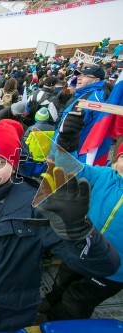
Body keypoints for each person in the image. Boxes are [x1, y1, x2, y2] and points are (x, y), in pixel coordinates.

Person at [0, 121, 120, 332]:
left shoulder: (36, 207)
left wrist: (79, 231)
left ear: (14, 165)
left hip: (8, 307)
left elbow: (105, 266)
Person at [38, 111, 123, 321]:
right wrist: (67, 143)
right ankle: (47, 306)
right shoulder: (105, 176)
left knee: (76, 302)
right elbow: (69, 171)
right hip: (78, 249)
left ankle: (60, 323)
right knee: (61, 284)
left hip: (113, 271)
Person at [49, 66, 111, 166]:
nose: (79, 78)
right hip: (68, 152)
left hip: (72, 155)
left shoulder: (92, 99)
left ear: (96, 80)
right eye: (78, 75)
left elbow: (70, 130)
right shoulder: (85, 94)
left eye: (85, 76)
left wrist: (54, 154)